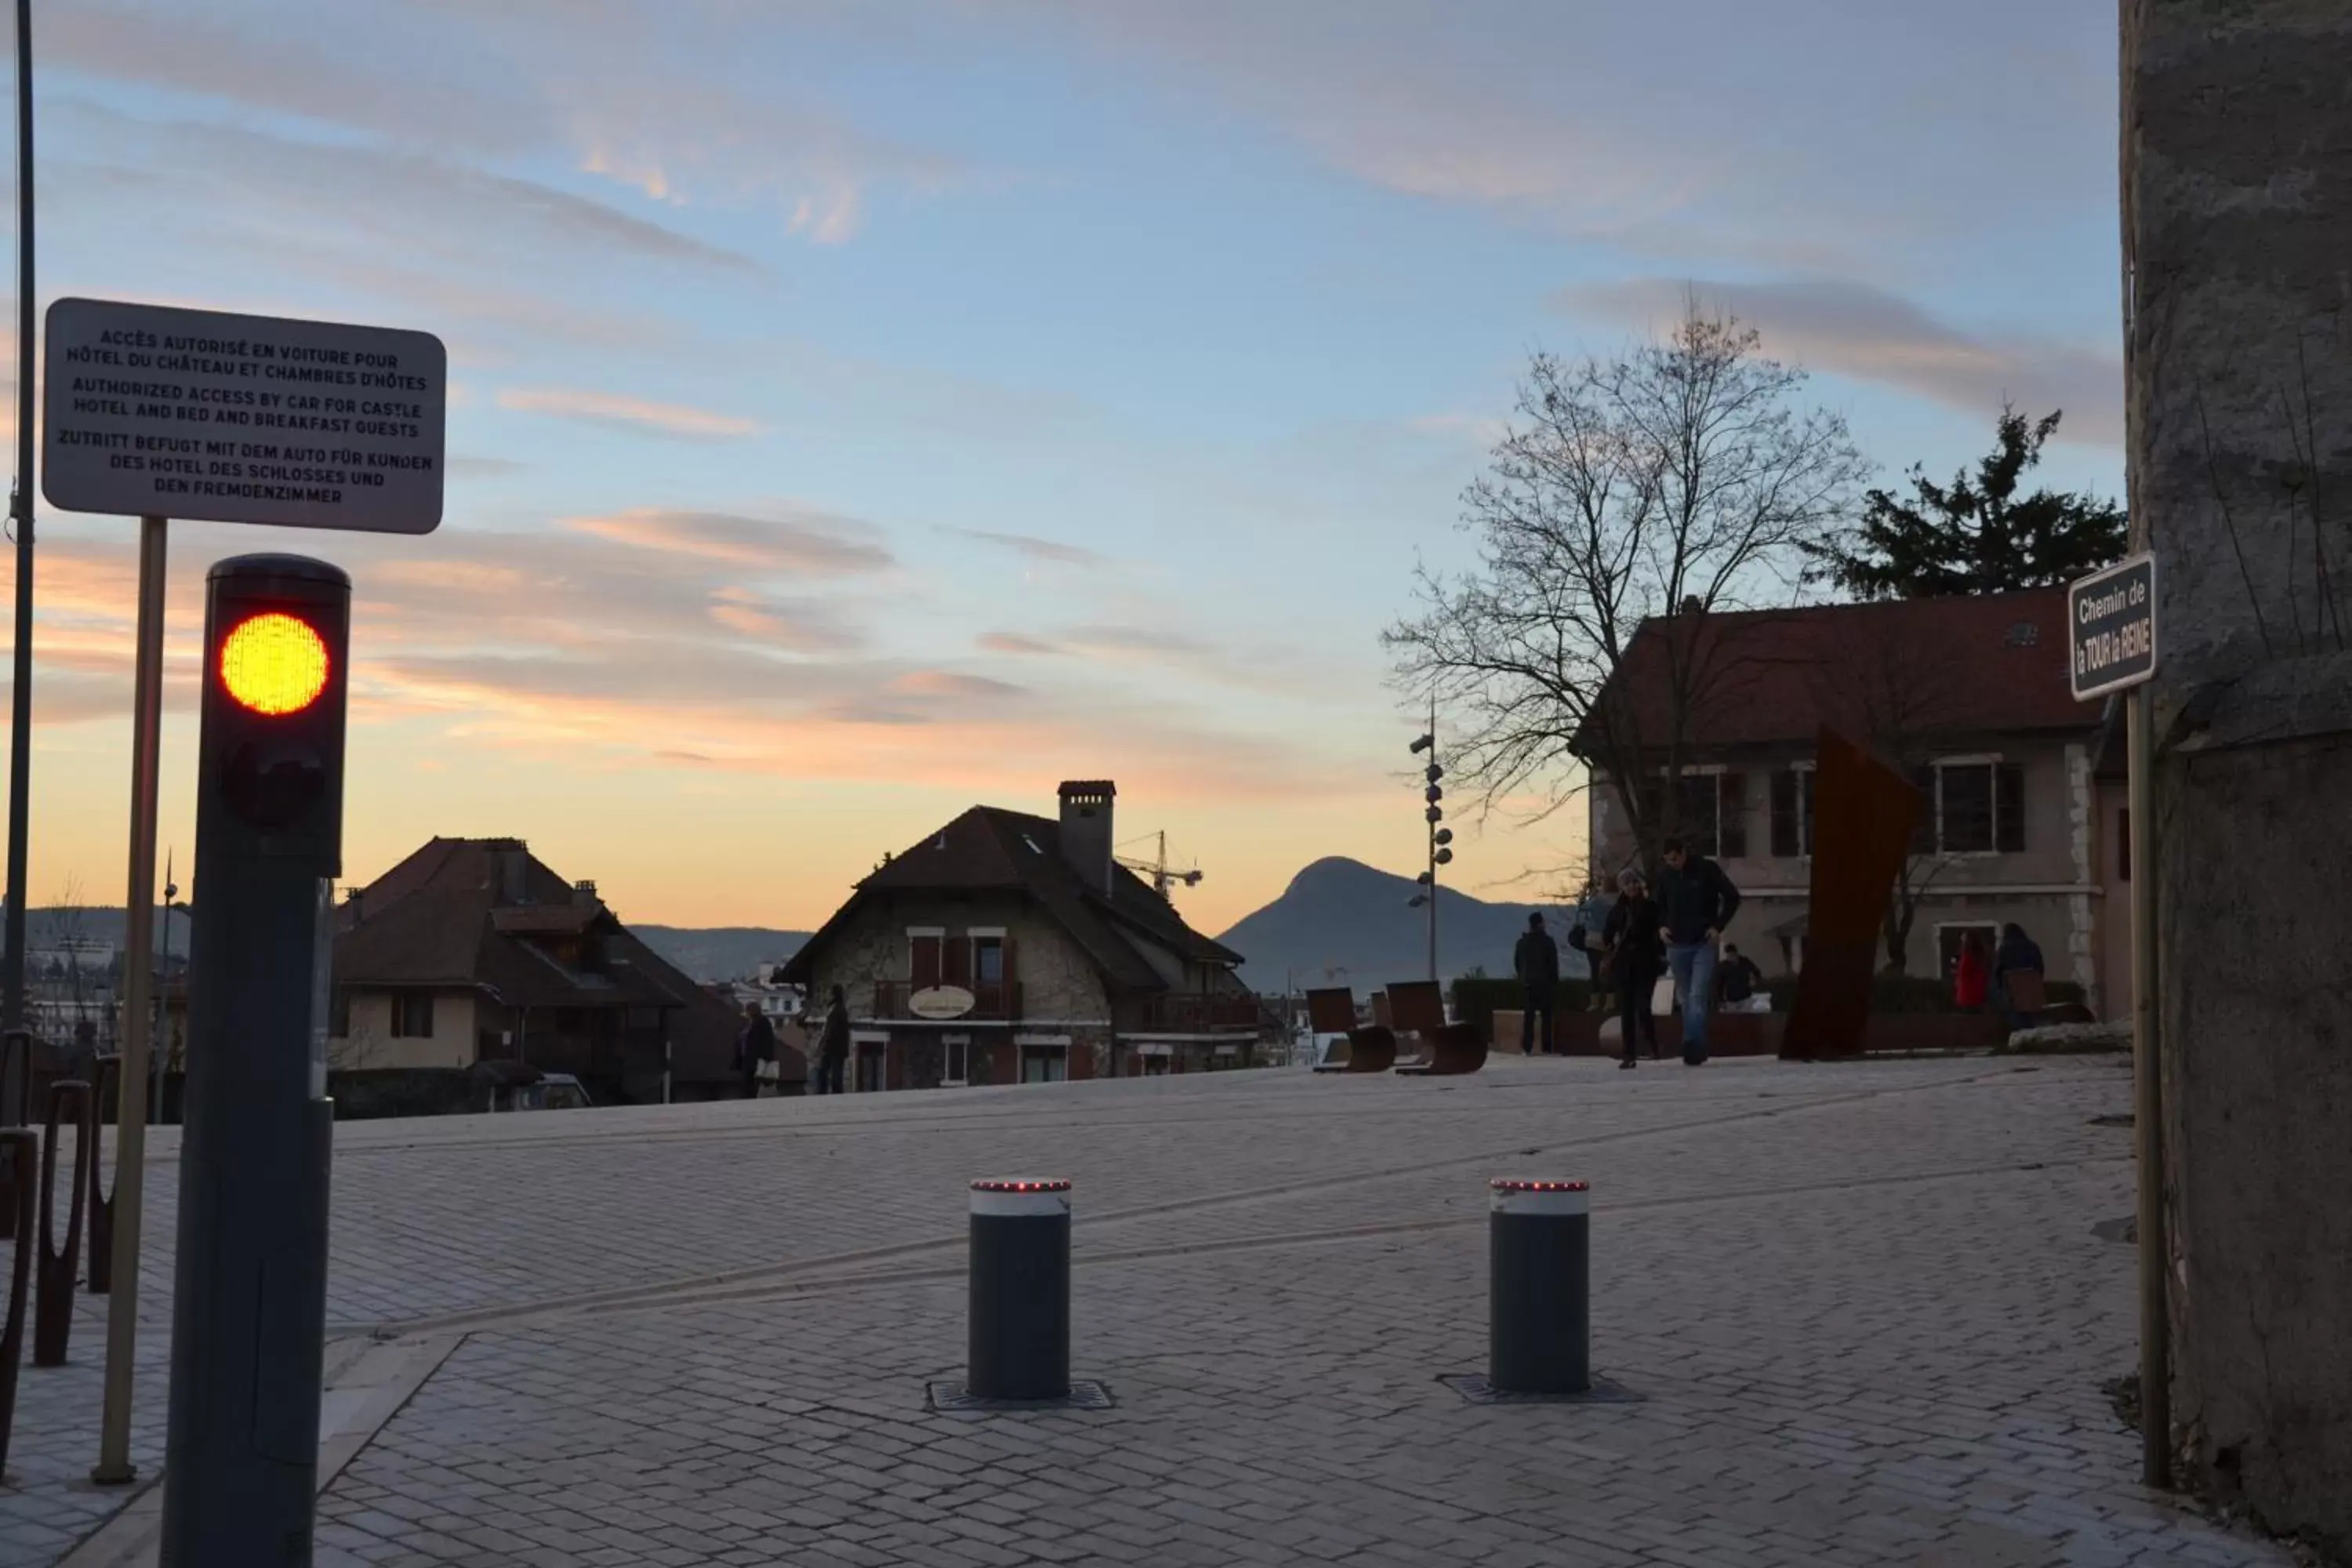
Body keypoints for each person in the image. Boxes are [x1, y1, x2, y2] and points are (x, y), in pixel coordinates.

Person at [1657, 836, 1741, 1065]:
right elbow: (1659, 905)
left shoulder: (1706, 869)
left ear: (1683, 852)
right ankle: (1692, 1044)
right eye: (1668, 860)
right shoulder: (1666, 875)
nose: (1672, 864)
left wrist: (1718, 926)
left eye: (1675, 859)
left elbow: (1732, 897)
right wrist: (1661, 927)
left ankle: (1693, 1043)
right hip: (1676, 944)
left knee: (1697, 995)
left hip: (1703, 942)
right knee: (1685, 998)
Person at [1600, 868, 1664, 1067]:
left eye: (1634, 882)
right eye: (1627, 884)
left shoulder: (1650, 907)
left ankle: (1652, 1045)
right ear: (1622, 887)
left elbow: (1657, 931)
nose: (1631, 887)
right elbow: (1607, 934)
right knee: (1626, 1009)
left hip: (1645, 962)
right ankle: (1629, 1054)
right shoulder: (1617, 910)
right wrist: (1610, 945)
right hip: (1623, 964)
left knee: (1643, 1005)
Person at [1513, 912, 1562, 1055]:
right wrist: (1554, 980)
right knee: (1547, 1016)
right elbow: (1553, 963)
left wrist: (1522, 977)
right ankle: (1547, 1047)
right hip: (1545, 983)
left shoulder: (1522, 943)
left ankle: (1527, 1047)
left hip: (1528, 983)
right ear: (1540, 923)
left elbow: (1517, 963)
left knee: (1529, 1016)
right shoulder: (1548, 942)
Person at [1992, 923, 2044, 1031]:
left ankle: (2018, 1029)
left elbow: (1998, 971)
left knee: (2004, 1002)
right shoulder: (2033, 947)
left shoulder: (2004, 948)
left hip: (2012, 989)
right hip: (2031, 989)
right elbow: (2040, 968)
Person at [735, 1001, 776, 1099]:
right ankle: (748, 1099)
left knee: (756, 1082)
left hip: (759, 1058)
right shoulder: (747, 1024)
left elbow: (768, 1041)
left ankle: (753, 1098)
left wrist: (768, 1058)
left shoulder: (763, 1023)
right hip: (747, 1058)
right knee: (746, 1083)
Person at [815, 985, 851, 1095]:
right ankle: (825, 1092)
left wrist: (825, 1043)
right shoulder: (835, 1009)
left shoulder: (838, 1010)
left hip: (835, 1047)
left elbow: (833, 1030)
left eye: (829, 994)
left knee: (834, 1074)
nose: (827, 996)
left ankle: (833, 1094)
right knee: (825, 1071)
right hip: (833, 1047)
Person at [1718, 943, 1765, 1010]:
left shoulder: (1745, 962)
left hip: (1745, 997)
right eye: (1728, 955)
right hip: (1731, 999)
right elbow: (1720, 984)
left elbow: (1756, 972)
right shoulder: (1724, 966)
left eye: (1732, 955)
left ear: (1736, 953)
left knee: (1747, 1018)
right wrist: (1721, 1000)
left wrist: (1755, 980)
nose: (1730, 958)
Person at [1953, 931, 1990, 1011]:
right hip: (1979, 996)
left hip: (1967, 997)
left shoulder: (1967, 957)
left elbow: (1963, 974)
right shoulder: (1981, 957)